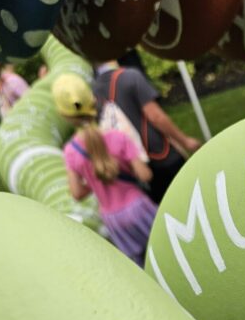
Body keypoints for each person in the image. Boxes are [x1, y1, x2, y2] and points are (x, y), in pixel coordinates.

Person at [53, 74, 157, 268]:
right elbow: (145, 175)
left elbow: (77, 193)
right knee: (164, 249)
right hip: (139, 208)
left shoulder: (70, 152)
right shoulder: (118, 137)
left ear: (64, 115)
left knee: (142, 267)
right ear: (93, 101)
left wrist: (96, 180)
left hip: (113, 219)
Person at [91, 60, 202, 204]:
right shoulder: (130, 76)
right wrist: (184, 141)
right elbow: (155, 116)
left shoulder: (93, 90)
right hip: (161, 155)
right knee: (192, 199)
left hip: (135, 165)